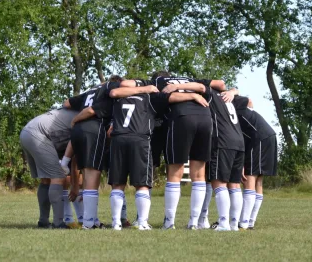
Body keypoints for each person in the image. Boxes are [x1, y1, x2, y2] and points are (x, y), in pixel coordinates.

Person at [122, 72, 225, 229]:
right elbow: (220, 83)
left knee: (175, 172)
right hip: (205, 117)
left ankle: (169, 222)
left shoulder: (156, 81)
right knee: (199, 174)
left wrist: (145, 86)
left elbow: (125, 84)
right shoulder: (190, 80)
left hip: (182, 118)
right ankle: (194, 223)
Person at [106, 83, 210, 230]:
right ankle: (142, 222)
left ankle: (116, 222)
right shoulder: (150, 97)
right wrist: (193, 95)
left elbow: (114, 92)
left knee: (117, 184)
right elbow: (173, 97)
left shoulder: (120, 96)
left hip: (118, 139)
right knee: (142, 184)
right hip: (140, 139)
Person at [70, 77, 123, 229]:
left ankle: (92, 220)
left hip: (78, 131)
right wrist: (75, 119)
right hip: (93, 131)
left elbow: (67, 103)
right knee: (93, 177)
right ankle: (89, 223)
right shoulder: (111, 91)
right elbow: (92, 110)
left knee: (87, 177)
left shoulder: (91, 91)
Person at [196, 86, 245, 231]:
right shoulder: (228, 97)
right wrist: (234, 91)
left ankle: (223, 223)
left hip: (223, 141)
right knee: (235, 186)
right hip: (239, 141)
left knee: (219, 184)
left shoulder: (210, 95)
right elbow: (248, 101)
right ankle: (234, 224)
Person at [19, 108, 79, 229]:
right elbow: (75, 160)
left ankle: (43, 221)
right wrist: (75, 186)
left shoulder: (77, 110)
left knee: (46, 179)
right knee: (58, 177)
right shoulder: (88, 121)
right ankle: (58, 223)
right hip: (39, 134)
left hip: (27, 131)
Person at [230, 95, 277, 230]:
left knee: (250, 178)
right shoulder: (235, 105)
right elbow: (250, 101)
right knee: (258, 181)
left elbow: (249, 100)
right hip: (267, 135)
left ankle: (244, 223)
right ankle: (250, 221)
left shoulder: (229, 101)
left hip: (258, 137)